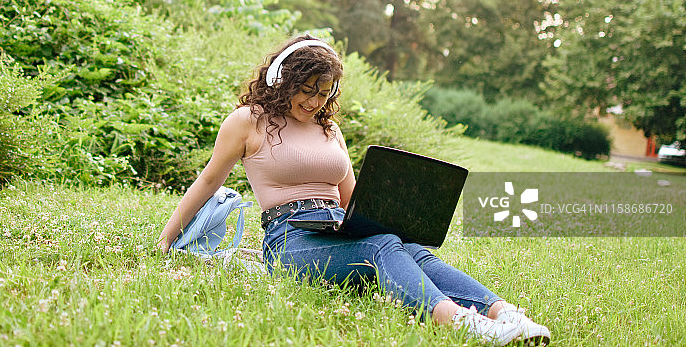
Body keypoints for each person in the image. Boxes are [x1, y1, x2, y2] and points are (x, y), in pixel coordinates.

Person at [157, 35, 551, 346]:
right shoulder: (248, 121)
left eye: (324, 92)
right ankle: (461, 323)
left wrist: (388, 221)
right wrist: (167, 237)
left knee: (408, 248)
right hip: (289, 239)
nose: (314, 101)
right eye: (306, 90)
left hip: (338, 228)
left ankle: (504, 314)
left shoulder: (329, 129)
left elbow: (351, 199)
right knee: (382, 248)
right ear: (281, 80)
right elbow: (208, 181)